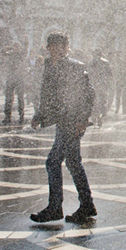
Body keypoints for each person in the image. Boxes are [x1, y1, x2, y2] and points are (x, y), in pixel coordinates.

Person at [30, 32, 97, 224]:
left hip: (73, 121)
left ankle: (56, 207)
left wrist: (82, 119)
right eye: (53, 47)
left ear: (67, 48)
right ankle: (86, 204)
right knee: (73, 163)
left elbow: (88, 94)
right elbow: (48, 94)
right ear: (48, 48)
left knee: (54, 162)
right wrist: (39, 115)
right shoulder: (49, 67)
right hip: (63, 120)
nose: (57, 50)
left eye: (61, 47)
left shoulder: (75, 66)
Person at [2, 43, 28, 125]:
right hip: (11, 78)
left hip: (19, 78)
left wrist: (26, 41)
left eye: (17, 47)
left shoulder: (21, 54)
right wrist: (6, 48)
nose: (15, 48)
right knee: (9, 98)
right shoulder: (10, 54)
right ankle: (7, 116)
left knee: (20, 98)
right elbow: (2, 53)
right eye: (14, 46)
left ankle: (21, 115)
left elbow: (25, 50)